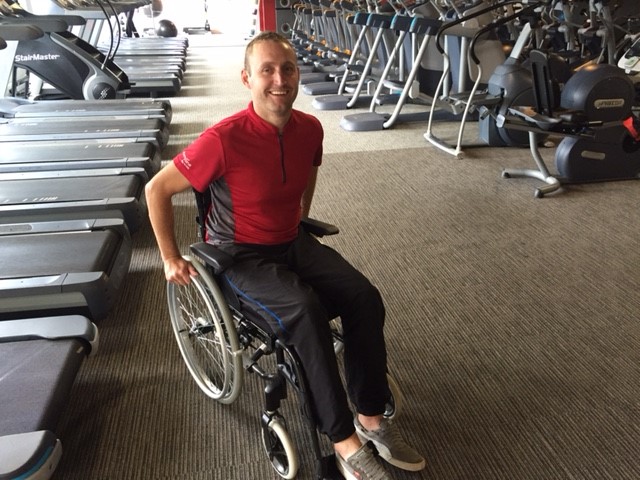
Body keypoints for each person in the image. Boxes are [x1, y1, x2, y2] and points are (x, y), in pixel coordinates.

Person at [145, 31, 425, 480]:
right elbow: (155, 188)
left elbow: (308, 172)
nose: (280, 79)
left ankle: (371, 421)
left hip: (291, 241)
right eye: (267, 70)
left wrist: (300, 218)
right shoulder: (222, 139)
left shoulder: (310, 128)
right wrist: (169, 257)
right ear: (246, 79)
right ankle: (344, 443)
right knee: (304, 312)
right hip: (237, 256)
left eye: (288, 69)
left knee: (363, 295)